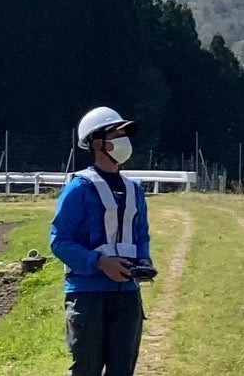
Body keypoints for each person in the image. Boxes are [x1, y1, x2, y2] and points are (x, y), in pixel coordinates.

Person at [50, 106, 153, 376]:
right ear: (97, 142)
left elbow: (140, 234)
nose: (123, 140)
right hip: (87, 296)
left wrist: (144, 261)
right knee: (86, 369)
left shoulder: (134, 190)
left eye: (124, 134)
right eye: (116, 133)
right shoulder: (78, 188)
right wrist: (99, 262)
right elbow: (59, 240)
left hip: (128, 295)